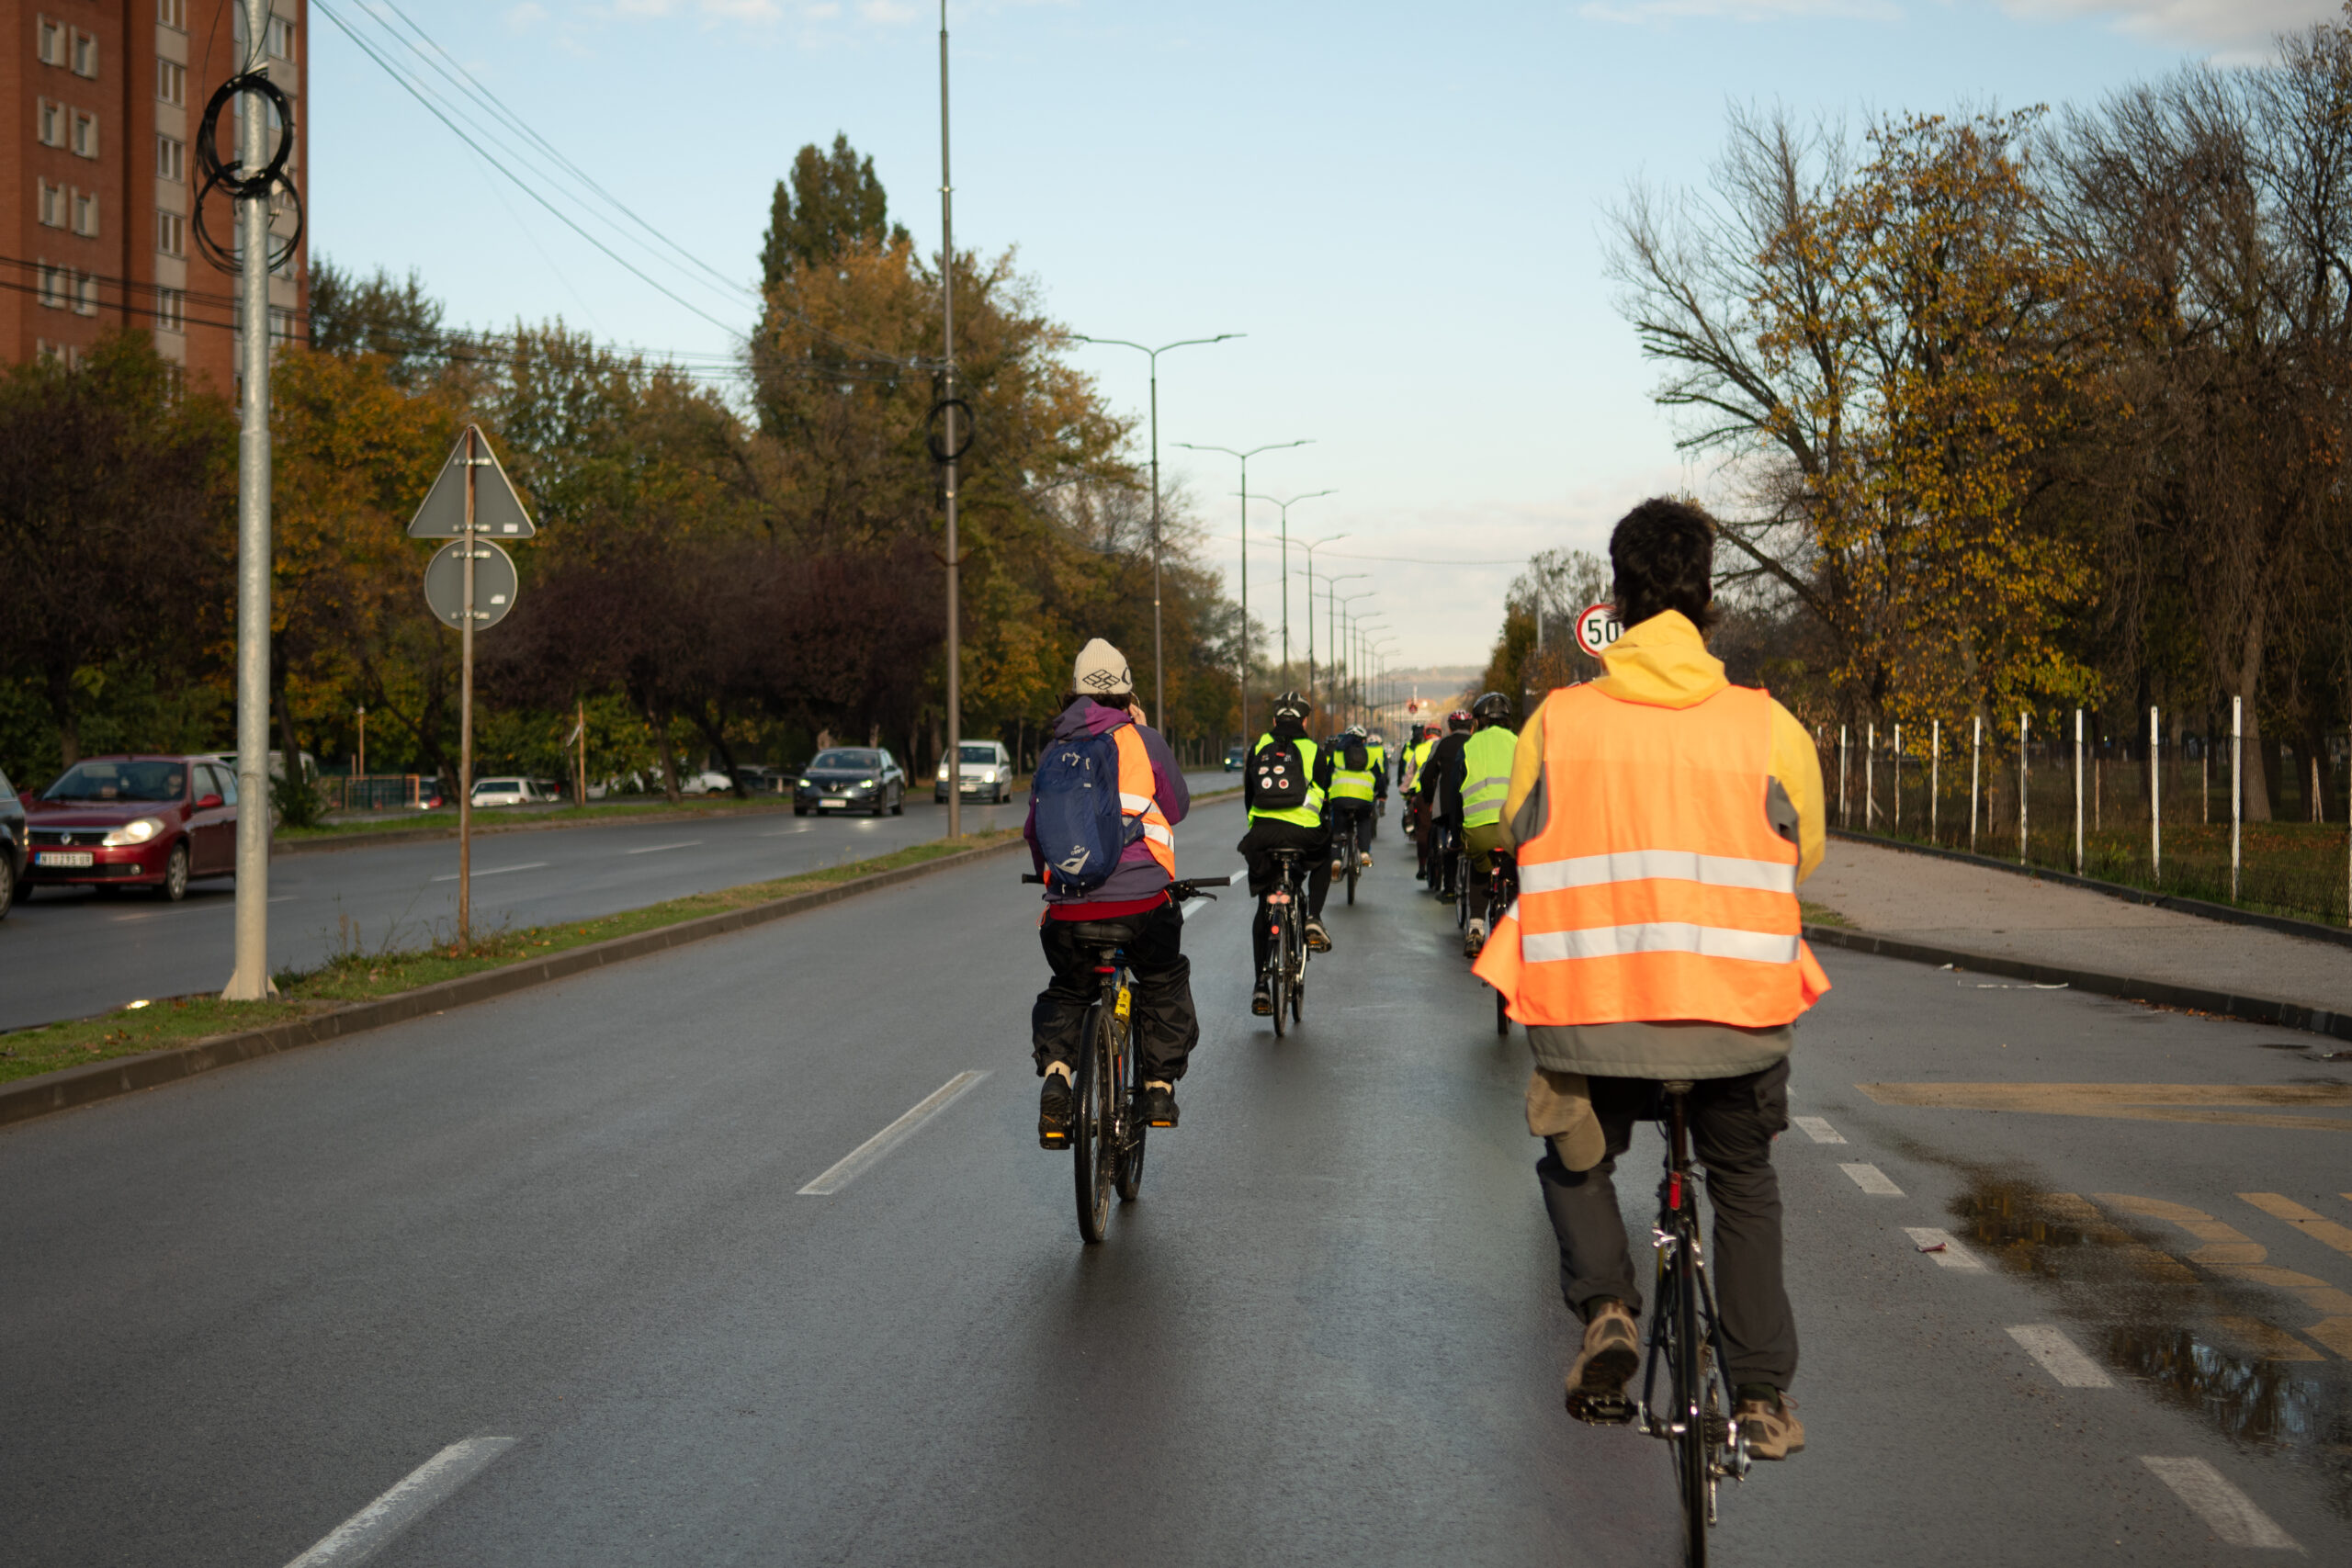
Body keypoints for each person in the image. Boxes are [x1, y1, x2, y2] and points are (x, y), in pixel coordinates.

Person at [1473, 498, 1827, 1461]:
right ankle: (1761, 1395)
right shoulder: (1767, 726)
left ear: (1618, 598)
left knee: (1574, 1155)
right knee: (1743, 1181)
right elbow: (1803, 853)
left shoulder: (1559, 722)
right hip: (1735, 1021)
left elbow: (1514, 832)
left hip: (1593, 1019)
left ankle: (1608, 1309)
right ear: (1707, 597)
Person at [1024, 638, 1197, 1140]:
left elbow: (1036, 832)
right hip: (1143, 904)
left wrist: (1053, 885)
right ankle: (1158, 1088)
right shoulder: (1144, 740)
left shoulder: (1055, 749)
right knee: (1163, 979)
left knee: (1069, 988)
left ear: (1074, 692)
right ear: (1127, 693)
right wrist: (1142, 731)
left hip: (1070, 910)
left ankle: (1058, 1081)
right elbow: (1177, 808)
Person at [1238, 690, 1334, 1016]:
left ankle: (1260, 985)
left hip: (1263, 837)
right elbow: (1324, 794)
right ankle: (1313, 918)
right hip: (1303, 834)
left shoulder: (1259, 748)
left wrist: (1258, 827)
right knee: (1326, 850)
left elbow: (1249, 795)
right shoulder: (1314, 751)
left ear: (1274, 719)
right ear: (1305, 721)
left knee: (1264, 906)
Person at [1455, 692, 1517, 957]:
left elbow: (1455, 792)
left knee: (1479, 867)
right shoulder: (1520, 743)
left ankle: (1476, 930)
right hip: (1514, 830)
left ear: (1478, 720)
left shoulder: (1469, 747)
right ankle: (1519, 926)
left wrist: (1456, 829)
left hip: (1478, 831)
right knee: (1516, 871)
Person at [1422, 709, 1474, 899]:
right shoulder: (1476, 743)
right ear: (1472, 728)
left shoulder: (1441, 744)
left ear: (1450, 728)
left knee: (1449, 843)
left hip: (1446, 804)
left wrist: (1429, 798)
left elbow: (1427, 775)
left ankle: (1449, 887)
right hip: (1473, 802)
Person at [1325, 724, 1381, 874]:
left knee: (1338, 828)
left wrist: (1325, 794)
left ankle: (1336, 860)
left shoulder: (1338, 754)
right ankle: (1364, 853)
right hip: (1363, 797)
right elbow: (1379, 777)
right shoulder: (1369, 754)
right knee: (1363, 821)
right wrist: (1380, 793)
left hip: (1340, 796)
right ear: (1363, 740)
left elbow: (1328, 775)